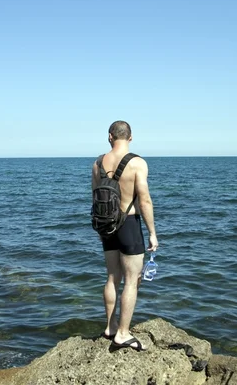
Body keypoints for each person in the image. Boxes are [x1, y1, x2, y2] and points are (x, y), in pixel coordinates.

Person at [91, 120, 158, 351]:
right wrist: (152, 233)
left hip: (106, 225)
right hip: (129, 224)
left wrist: (102, 229)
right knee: (132, 280)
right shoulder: (137, 163)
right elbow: (145, 200)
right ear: (130, 138)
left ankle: (110, 327)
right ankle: (122, 334)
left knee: (112, 277)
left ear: (110, 137)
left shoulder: (98, 163)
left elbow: (94, 199)